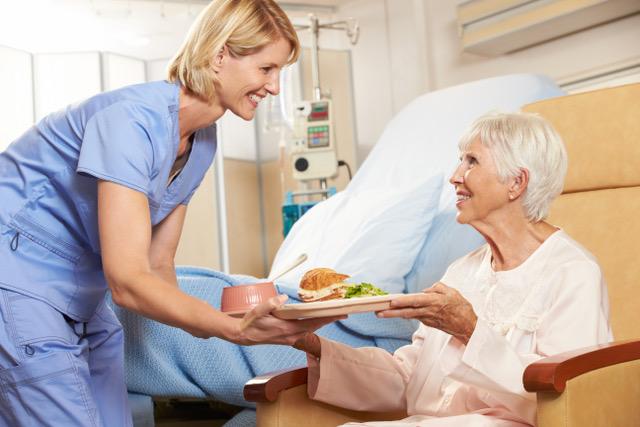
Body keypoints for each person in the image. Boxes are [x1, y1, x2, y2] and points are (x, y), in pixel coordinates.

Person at [0, 1, 338, 425]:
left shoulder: (203, 140)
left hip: (81, 295)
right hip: (17, 283)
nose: (274, 87)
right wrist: (232, 330)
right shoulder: (129, 122)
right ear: (219, 57)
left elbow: (157, 267)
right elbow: (127, 282)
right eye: (266, 69)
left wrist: (241, 324)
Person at [294, 112, 612, 426]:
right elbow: (407, 378)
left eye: (472, 161)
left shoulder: (572, 273)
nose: (455, 175)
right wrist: (310, 343)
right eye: (460, 160)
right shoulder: (461, 272)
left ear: (516, 182)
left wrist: (470, 329)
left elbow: (568, 398)